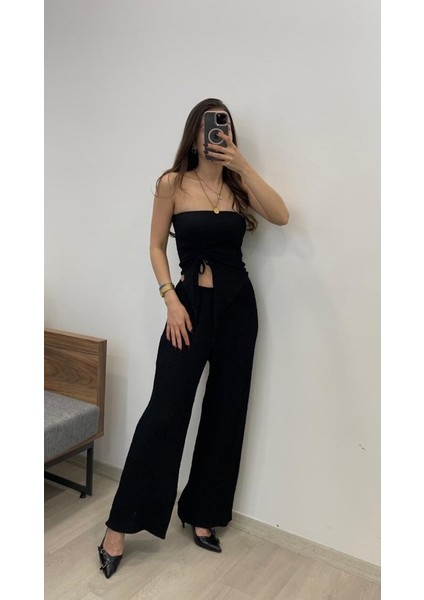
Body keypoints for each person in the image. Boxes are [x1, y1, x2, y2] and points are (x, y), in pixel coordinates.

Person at [98, 98, 289, 578]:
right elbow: (155, 245)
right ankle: (119, 526)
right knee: (165, 411)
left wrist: (242, 164)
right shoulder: (172, 183)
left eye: (225, 126)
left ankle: (203, 512)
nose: (218, 133)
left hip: (238, 309)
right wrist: (170, 298)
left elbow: (282, 215)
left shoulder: (238, 185)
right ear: (195, 132)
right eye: (211, 125)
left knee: (227, 410)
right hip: (187, 309)